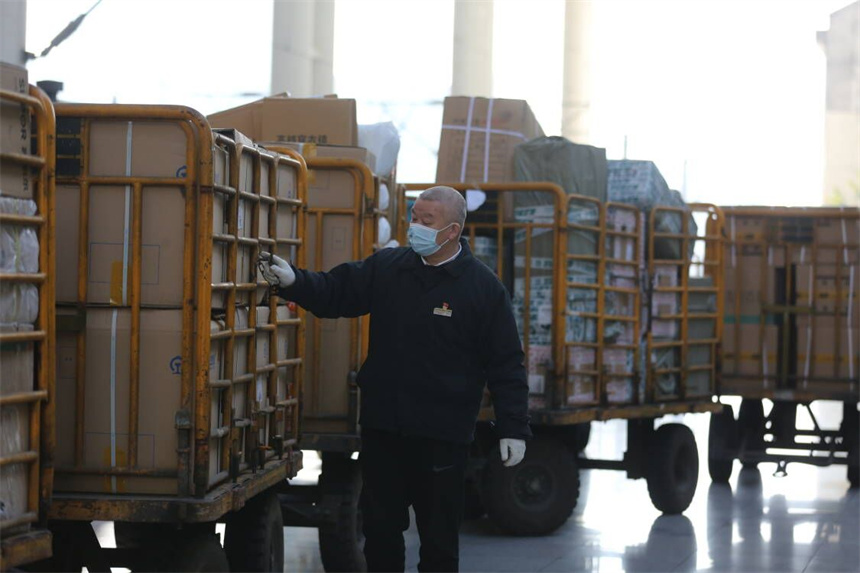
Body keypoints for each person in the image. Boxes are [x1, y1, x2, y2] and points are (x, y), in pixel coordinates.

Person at [259, 185, 531, 572]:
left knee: (439, 542)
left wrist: (514, 428)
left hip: (443, 437)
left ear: (452, 231)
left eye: (427, 221)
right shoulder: (389, 268)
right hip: (384, 428)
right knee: (381, 533)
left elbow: (506, 364)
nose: (415, 226)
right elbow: (338, 292)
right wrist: (295, 282)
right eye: (413, 218)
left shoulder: (483, 290)